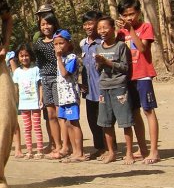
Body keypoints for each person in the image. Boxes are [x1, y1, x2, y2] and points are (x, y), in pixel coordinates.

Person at [117, 0, 156, 163]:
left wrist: (131, 30)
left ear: (139, 12)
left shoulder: (145, 27)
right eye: (125, 15)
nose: (129, 18)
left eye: (132, 14)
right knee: (134, 113)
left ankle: (154, 151)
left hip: (143, 74)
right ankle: (143, 148)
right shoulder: (120, 33)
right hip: (128, 77)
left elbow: (142, 48)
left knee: (148, 111)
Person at [94, 16, 134, 164]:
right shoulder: (98, 47)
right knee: (105, 122)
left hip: (119, 87)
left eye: (105, 27)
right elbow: (98, 70)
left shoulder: (121, 46)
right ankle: (111, 152)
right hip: (104, 87)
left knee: (125, 122)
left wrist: (107, 62)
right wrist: (99, 63)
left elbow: (125, 68)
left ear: (112, 28)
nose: (102, 31)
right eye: (99, 28)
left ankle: (129, 153)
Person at [78, 11, 111, 159]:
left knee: (105, 120)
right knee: (92, 120)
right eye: (85, 24)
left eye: (90, 23)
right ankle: (99, 148)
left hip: (101, 88)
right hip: (88, 89)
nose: (88, 27)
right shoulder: (83, 44)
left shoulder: (102, 44)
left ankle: (110, 148)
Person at [34, 13, 65, 159]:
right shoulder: (38, 43)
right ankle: (56, 145)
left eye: (48, 23)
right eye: (42, 24)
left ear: (54, 24)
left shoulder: (59, 40)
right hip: (44, 79)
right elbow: (37, 63)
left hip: (59, 79)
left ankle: (65, 146)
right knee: (50, 115)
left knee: (61, 114)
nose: (46, 27)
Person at [53, 30, 86, 162]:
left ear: (68, 43)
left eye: (62, 43)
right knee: (67, 123)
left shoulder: (72, 57)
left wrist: (59, 58)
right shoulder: (60, 58)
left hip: (71, 95)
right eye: (56, 44)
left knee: (74, 123)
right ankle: (74, 150)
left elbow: (65, 73)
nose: (59, 46)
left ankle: (80, 152)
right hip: (62, 96)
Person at [10, 45, 43, 159]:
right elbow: (16, 88)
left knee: (37, 126)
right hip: (24, 104)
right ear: (18, 57)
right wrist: (16, 100)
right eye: (21, 56)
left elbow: (40, 85)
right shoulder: (17, 72)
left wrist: (41, 99)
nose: (24, 58)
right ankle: (29, 150)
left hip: (35, 103)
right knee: (27, 127)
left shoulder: (36, 70)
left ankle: (39, 150)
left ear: (30, 56)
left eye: (26, 55)